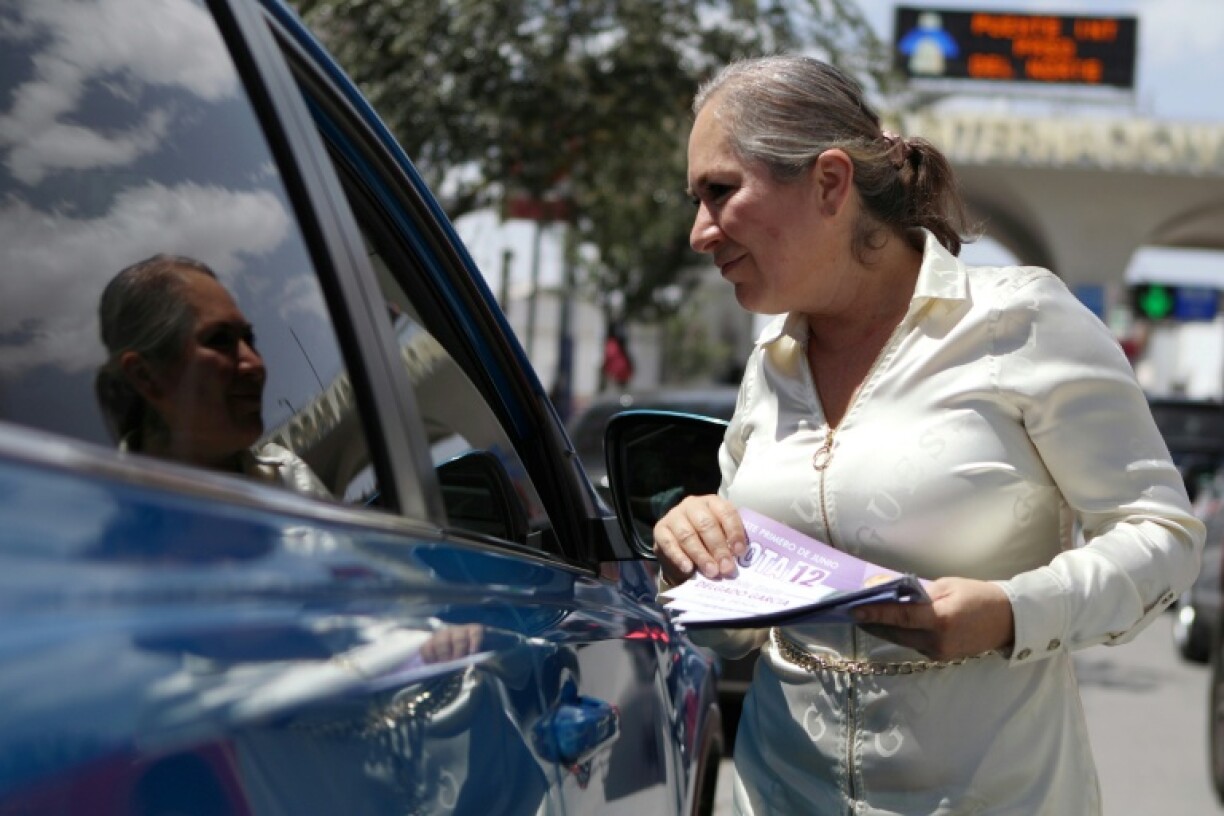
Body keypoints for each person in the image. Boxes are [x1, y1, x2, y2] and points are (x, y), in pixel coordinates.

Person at [656, 55, 1204, 814]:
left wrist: (1012, 612)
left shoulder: (1018, 321)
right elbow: (735, 635)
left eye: (720, 192)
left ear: (830, 183)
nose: (699, 232)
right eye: (697, 200)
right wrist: (695, 557)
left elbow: (1164, 538)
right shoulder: (769, 363)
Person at [95, 254, 330, 498]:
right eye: (220, 340)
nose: (255, 364)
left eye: (249, 339)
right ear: (146, 376)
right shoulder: (101, 508)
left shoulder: (289, 479)